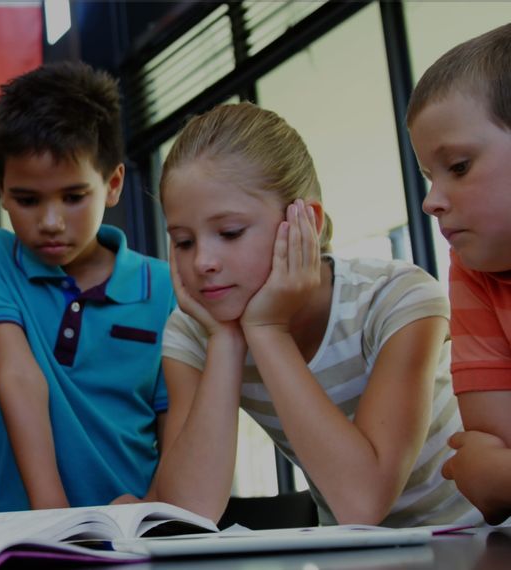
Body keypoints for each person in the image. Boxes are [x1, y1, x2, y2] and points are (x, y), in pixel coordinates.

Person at [152, 101, 479, 527]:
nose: (202, 262)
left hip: (481, 538)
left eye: (229, 233)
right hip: (351, 556)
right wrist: (227, 342)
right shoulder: (196, 333)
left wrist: (267, 331)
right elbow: (189, 511)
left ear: (304, 221)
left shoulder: (397, 298)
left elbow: (362, 503)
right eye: (183, 241)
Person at [0, 61, 175, 512]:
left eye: (74, 197)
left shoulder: (166, 287)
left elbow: (178, 424)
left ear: (112, 184)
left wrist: (154, 510)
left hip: (136, 534)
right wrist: (55, 523)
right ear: (1, 190)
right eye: (27, 199)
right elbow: (17, 375)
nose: (51, 222)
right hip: (29, 536)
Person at [407, 23, 511, 525]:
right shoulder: (472, 268)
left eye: (460, 166)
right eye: (430, 176)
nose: (432, 201)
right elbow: (484, 466)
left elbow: (500, 474)